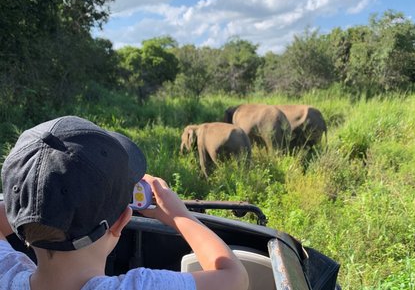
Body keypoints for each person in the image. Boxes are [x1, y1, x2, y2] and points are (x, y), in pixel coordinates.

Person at [0, 115, 249, 290]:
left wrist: (38, 208)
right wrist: (179, 215)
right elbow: (234, 278)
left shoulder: (6, 271)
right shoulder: (140, 286)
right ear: (121, 222)